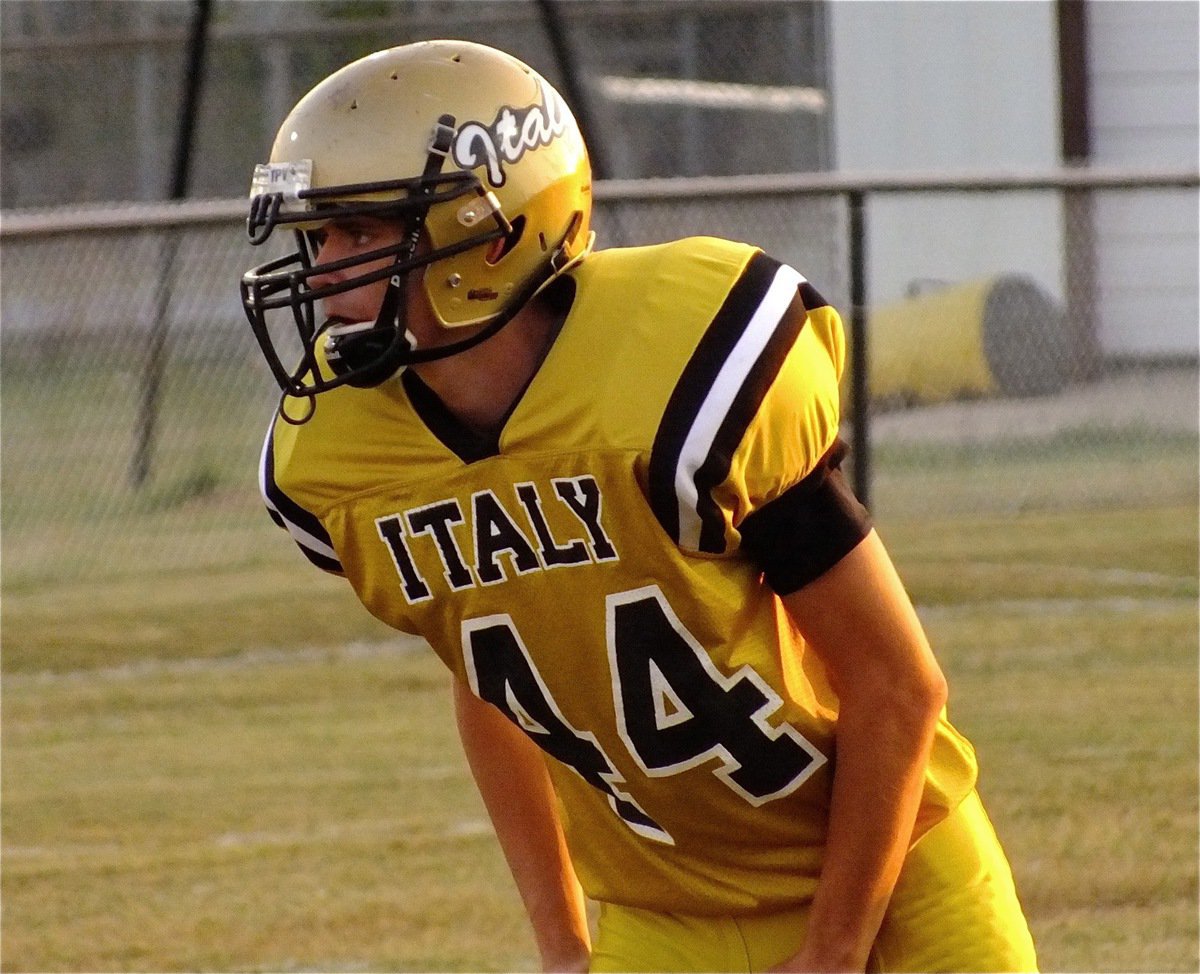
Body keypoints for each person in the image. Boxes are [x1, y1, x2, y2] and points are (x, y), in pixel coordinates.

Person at [240, 39, 1037, 973]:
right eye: (316, 239)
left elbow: (898, 684)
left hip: (891, 870)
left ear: (492, 236)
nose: (324, 272)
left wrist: (833, 949)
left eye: (361, 235)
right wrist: (560, 943)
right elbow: (492, 680)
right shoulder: (343, 452)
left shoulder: (675, 368)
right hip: (664, 910)